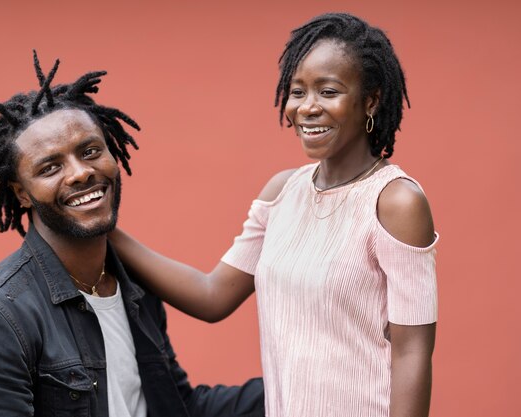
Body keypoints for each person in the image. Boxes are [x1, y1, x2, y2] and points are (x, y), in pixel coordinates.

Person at [108, 13, 438, 417]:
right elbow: (213, 296)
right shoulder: (282, 193)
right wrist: (106, 234)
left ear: (370, 100)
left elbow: (412, 352)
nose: (307, 108)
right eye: (297, 92)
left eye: (328, 91)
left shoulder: (395, 203)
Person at [0, 51, 264, 417]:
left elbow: (178, 407)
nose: (80, 173)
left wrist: (301, 384)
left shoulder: (135, 289)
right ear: (21, 192)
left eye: (91, 151)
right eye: (50, 167)